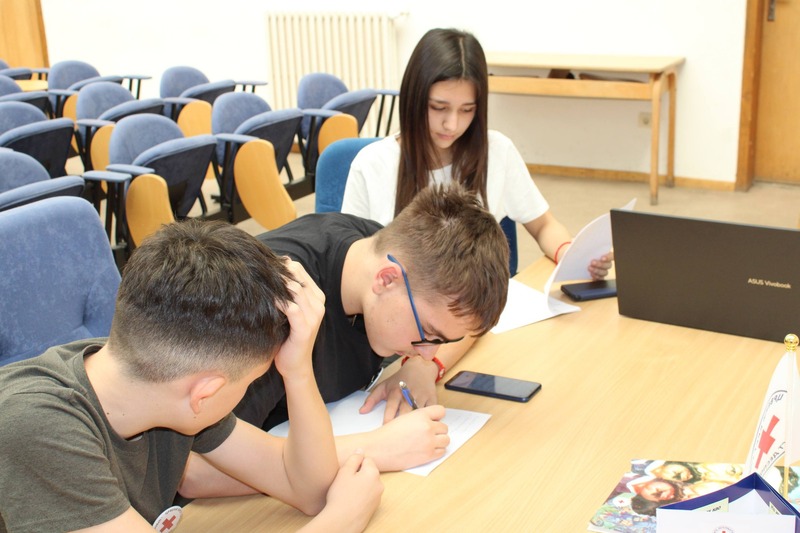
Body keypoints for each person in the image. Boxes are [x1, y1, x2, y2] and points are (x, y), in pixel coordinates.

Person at [0, 220, 382, 532]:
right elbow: (321, 502)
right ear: (204, 395)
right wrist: (341, 522)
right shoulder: (36, 430)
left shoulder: (153, 379)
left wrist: (297, 369)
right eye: (250, 382)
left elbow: (307, 488)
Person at [180, 183, 510, 498]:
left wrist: (423, 367)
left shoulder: (381, 250)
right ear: (387, 280)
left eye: (438, 341)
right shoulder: (276, 307)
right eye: (427, 333)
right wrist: (373, 448)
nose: (428, 350)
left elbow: (461, 331)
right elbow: (191, 472)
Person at [341, 27, 612, 279]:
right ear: (415, 98)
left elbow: (544, 225)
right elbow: (352, 262)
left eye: (467, 110)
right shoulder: (372, 164)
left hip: (478, 306)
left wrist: (569, 253)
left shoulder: (498, 152)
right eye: (438, 107)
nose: (452, 124)